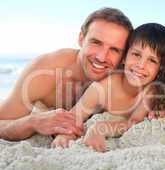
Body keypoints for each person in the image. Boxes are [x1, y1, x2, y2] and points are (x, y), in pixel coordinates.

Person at [0, 7, 133, 141]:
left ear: (123, 57)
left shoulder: (127, 77)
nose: (102, 57)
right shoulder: (45, 71)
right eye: (96, 42)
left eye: (115, 50)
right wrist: (32, 122)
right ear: (81, 39)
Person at [51, 23, 165, 151]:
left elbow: (133, 122)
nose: (141, 65)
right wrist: (64, 135)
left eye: (152, 60)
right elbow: (75, 116)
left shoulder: (152, 90)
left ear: (160, 68)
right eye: (136, 54)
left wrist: (99, 128)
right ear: (124, 57)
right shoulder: (104, 86)